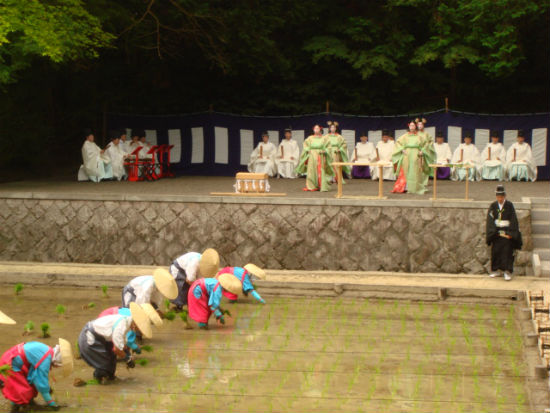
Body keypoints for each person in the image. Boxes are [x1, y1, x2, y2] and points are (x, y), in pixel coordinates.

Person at [78, 303, 151, 383]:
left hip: (102, 339)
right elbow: (116, 349)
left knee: (111, 366)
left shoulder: (127, 323)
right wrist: (128, 359)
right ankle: (98, 380)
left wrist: (127, 354)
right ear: (136, 324)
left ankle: (109, 378)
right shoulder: (122, 325)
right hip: (89, 338)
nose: (139, 330)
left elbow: (121, 346)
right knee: (104, 366)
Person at [0, 339, 72, 412]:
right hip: (9, 364)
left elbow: (34, 375)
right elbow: (40, 382)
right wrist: (50, 402)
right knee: (21, 392)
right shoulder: (46, 359)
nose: (55, 367)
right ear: (57, 361)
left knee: (28, 388)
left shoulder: (47, 350)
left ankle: (28, 404)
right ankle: (14, 409)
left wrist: (46, 388)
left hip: (13, 359)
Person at [486, 185, 522, 281]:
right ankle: (495, 270)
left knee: (507, 252)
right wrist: (493, 231)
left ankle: (507, 271)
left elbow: (513, 219)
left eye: (501, 196)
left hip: (507, 231)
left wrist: (511, 233)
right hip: (496, 232)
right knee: (496, 251)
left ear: (504, 196)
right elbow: (490, 220)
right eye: (498, 196)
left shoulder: (509, 205)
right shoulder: (493, 206)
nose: (500, 198)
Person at [391, 120, 435, 194]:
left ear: (415, 127)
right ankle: (405, 187)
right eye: (410, 125)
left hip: (416, 154)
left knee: (414, 170)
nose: (412, 127)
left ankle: (414, 188)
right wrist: (402, 149)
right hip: (407, 154)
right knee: (406, 169)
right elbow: (398, 143)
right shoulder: (404, 136)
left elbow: (426, 144)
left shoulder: (419, 136)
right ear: (408, 126)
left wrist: (422, 151)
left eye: (413, 125)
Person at [295, 124, 333, 191]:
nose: (316, 129)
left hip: (320, 155)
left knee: (320, 170)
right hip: (312, 155)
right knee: (311, 170)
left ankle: (321, 185)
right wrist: (307, 150)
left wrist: (325, 151)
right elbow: (305, 145)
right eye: (315, 128)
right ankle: (311, 186)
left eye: (317, 128)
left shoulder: (324, 138)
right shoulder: (310, 138)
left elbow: (329, 147)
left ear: (320, 129)